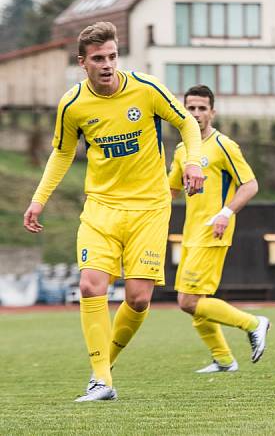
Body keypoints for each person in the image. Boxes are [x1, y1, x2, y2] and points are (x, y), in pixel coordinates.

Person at [22, 22, 205, 401]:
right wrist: (39, 200)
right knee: (91, 286)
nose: (107, 65)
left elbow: (186, 123)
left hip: (150, 208)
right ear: (82, 63)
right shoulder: (72, 105)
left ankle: (104, 365)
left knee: (138, 298)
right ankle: (101, 379)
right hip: (101, 208)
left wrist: (194, 163)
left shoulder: (147, 88)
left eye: (112, 56)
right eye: (98, 59)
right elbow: (61, 153)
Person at [167, 85, 269, 374]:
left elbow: (250, 185)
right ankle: (223, 359)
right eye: (191, 108)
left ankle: (253, 323)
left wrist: (226, 213)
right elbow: (171, 190)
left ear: (212, 112)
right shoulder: (180, 150)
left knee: (187, 301)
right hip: (190, 233)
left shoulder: (224, 145)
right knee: (196, 299)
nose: (196, 113)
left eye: (202, 108)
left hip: (213, 232)